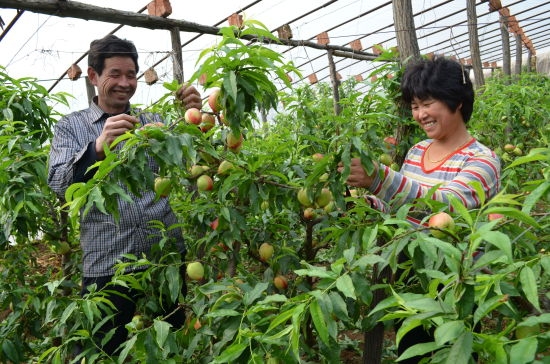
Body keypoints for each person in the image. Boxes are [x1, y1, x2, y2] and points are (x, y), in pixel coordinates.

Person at [47, 34, 202, 356]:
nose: (124, 82)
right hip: (108, 265)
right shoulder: (71, 127)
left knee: (168, 347)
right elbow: (58, 184)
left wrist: (193, 121)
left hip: (164, 261)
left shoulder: (153, 123)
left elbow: (193, 170)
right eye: (114, 74)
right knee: (105, 350)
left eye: (130, 74)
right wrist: (97, 149)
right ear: (93, 76)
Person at [338, 57, 501, 362]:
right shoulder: (416, 152)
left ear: (457, 101)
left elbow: (444, 206)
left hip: (454, 287)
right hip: (410, 279)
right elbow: (399, 209)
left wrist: (380, 178)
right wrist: (368, 204)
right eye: (414, 105)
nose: (420, 114)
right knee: (410, 352)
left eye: (428, 103)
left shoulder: (482, 161)